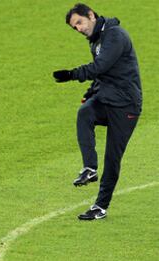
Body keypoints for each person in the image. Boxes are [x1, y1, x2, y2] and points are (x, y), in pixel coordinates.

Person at [52, 3, 142, 220]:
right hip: (107, 99)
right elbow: (103, 76)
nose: (79, 29)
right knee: (85, 112)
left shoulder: (115, 36)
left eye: (79, 23)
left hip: (126, 105)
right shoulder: (97, 41)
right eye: (75, 28)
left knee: (112, 158)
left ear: (91, 15)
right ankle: (89, 168)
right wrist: (90, 92)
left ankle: (100, 207)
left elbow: (100, 67)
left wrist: (72, 74)